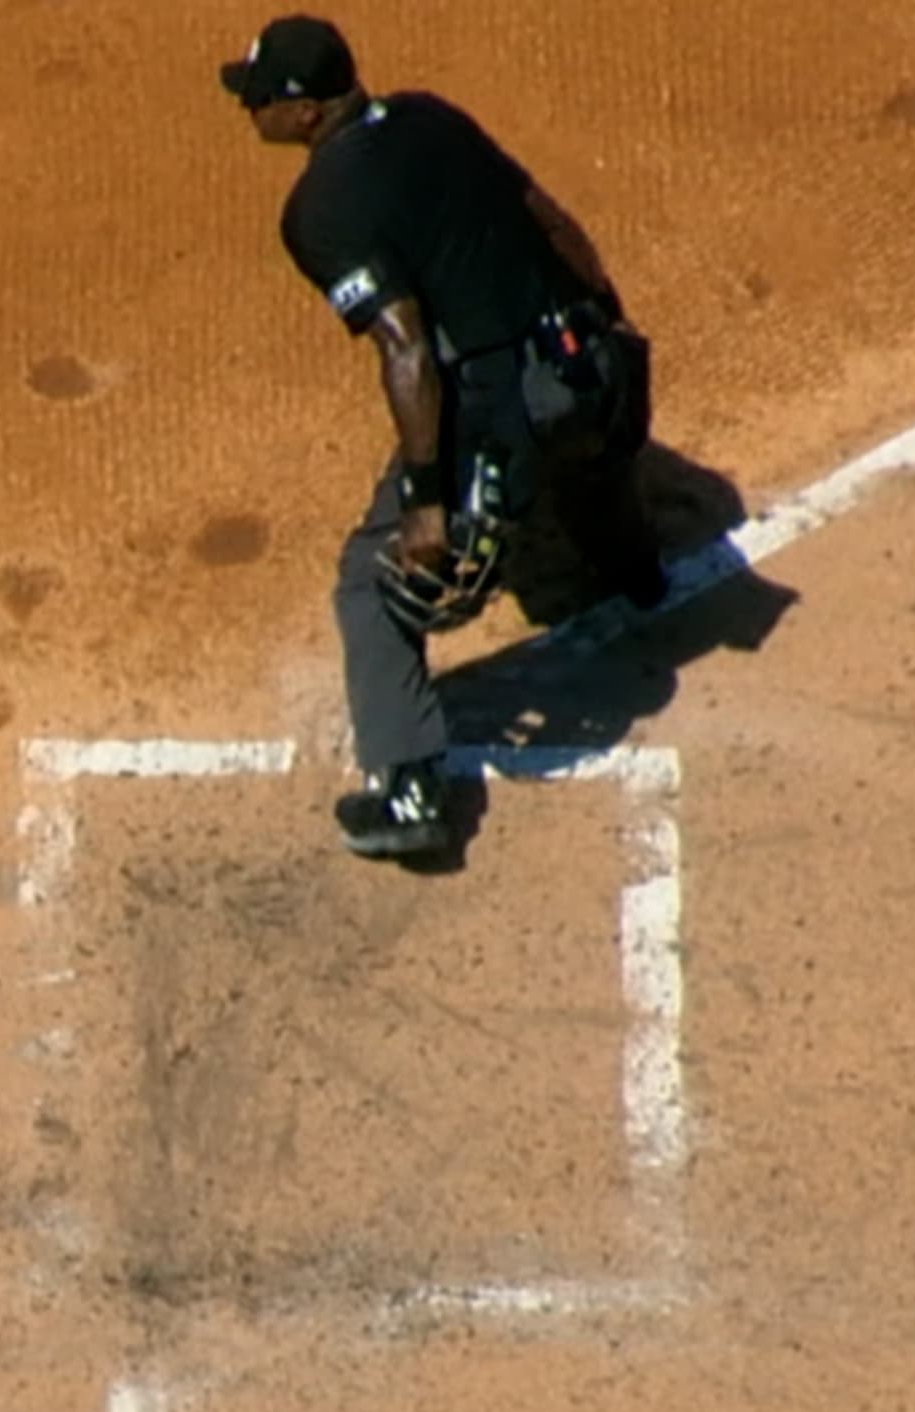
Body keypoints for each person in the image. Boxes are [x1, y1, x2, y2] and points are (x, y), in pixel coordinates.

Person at [222, 15, 664, 861]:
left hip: (504, 410)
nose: (251, 115)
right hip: (588, 358)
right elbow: (547, 215)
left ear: (306, 112)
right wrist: (607, 316)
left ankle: (411, 786)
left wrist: (426, 503)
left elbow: (408, 349)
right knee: (588, 456)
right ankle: (637, 574)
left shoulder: (319, 209)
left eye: (261, 102)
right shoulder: (430, 114)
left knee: (369, 580)